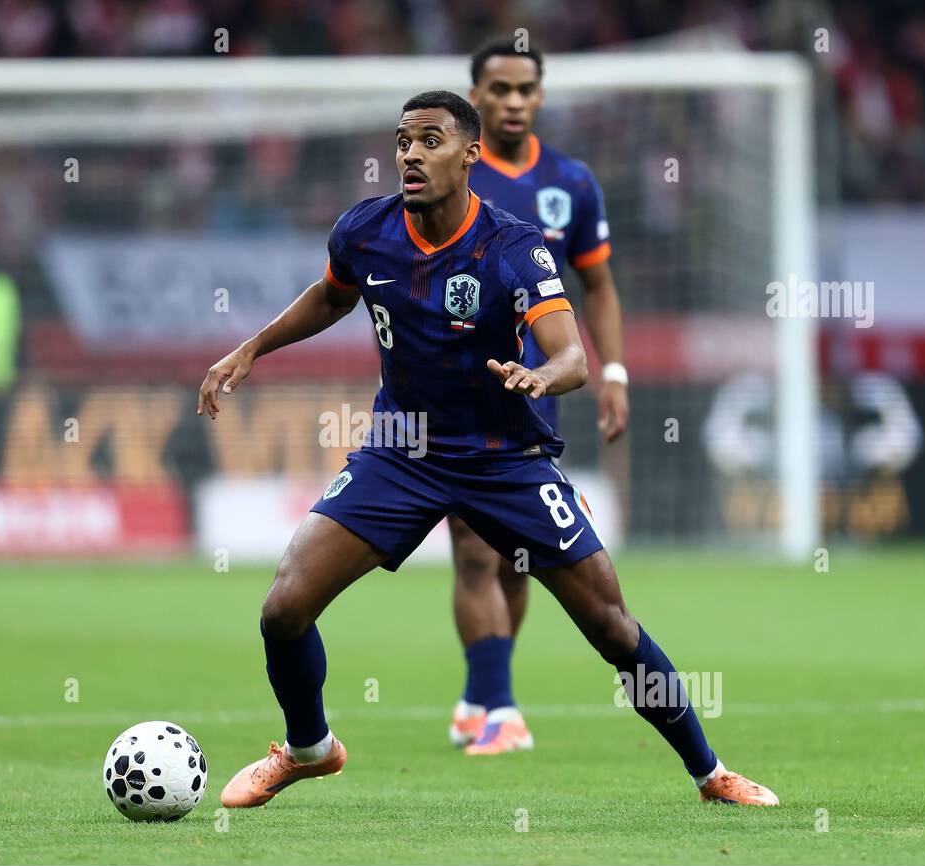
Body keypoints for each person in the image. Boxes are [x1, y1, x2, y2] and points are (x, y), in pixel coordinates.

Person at [198, 91, 778, 809]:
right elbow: (331, 296)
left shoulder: (513, 247)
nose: (410, 153)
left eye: (431, 140)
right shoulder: (364, 230)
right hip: (401, 450)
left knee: (608, 623)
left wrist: (539, 374)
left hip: (505, 456)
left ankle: (709, 772)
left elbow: (572, 356)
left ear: (470, 154)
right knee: (285, 605)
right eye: (404, 140)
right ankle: (310, 749)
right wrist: (253, 347)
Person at [447, 39, 630, 754]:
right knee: (472, 552)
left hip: (536, 393)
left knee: (517, 551)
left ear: (541, 97)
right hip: (456, 395)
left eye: (526, 90)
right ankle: (498, 705)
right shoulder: (452, 172)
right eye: (499, 90)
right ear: (476, 95)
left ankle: (481, 693)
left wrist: (612, 373)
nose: (514, 102)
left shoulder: (571, 183)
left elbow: (600, 286)